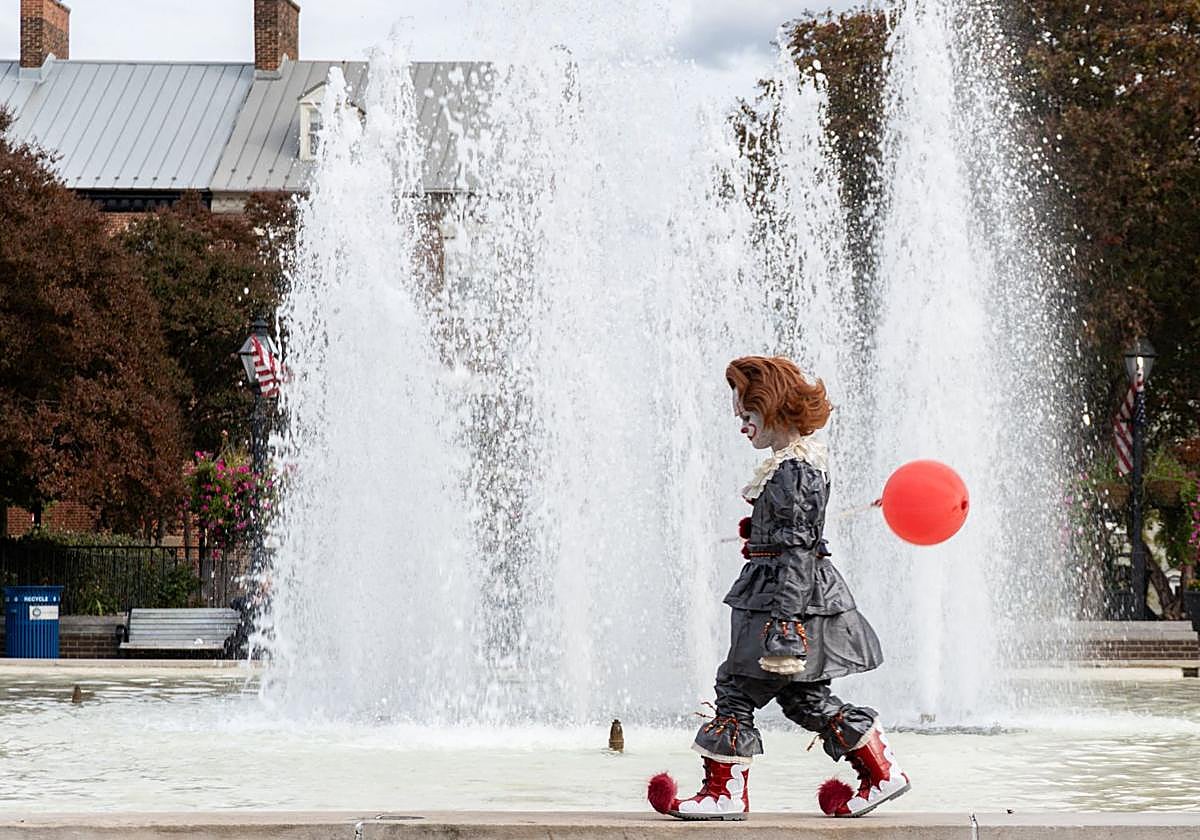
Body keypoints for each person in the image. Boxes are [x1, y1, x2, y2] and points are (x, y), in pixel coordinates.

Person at [647, 355, 909, 820]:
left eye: (747, 415)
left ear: (772, 407)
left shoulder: (793, 472)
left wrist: (785, 625)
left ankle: (723, 794)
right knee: (801, 696)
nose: (742, 425)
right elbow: (792, 539)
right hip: (781, 594)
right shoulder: (795, 467)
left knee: (735, 688)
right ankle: (880, 772)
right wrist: (760, 531)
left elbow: (798, 550)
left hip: (782, 601)